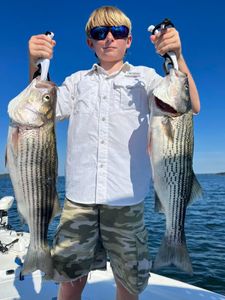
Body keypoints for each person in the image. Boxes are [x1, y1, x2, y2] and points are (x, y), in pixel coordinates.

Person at [28, 5, 200, 300]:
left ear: (129, 40)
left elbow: (189, 105)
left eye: (117, 32)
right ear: (90, 42)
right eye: (100, 33)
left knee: (128, 282)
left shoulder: (146, 79)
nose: (109, 38)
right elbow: (41, 109)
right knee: (69, 281)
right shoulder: (76, 82)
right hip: (78, 201)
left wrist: (177, 56)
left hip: (127, 201)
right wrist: (35, 60)